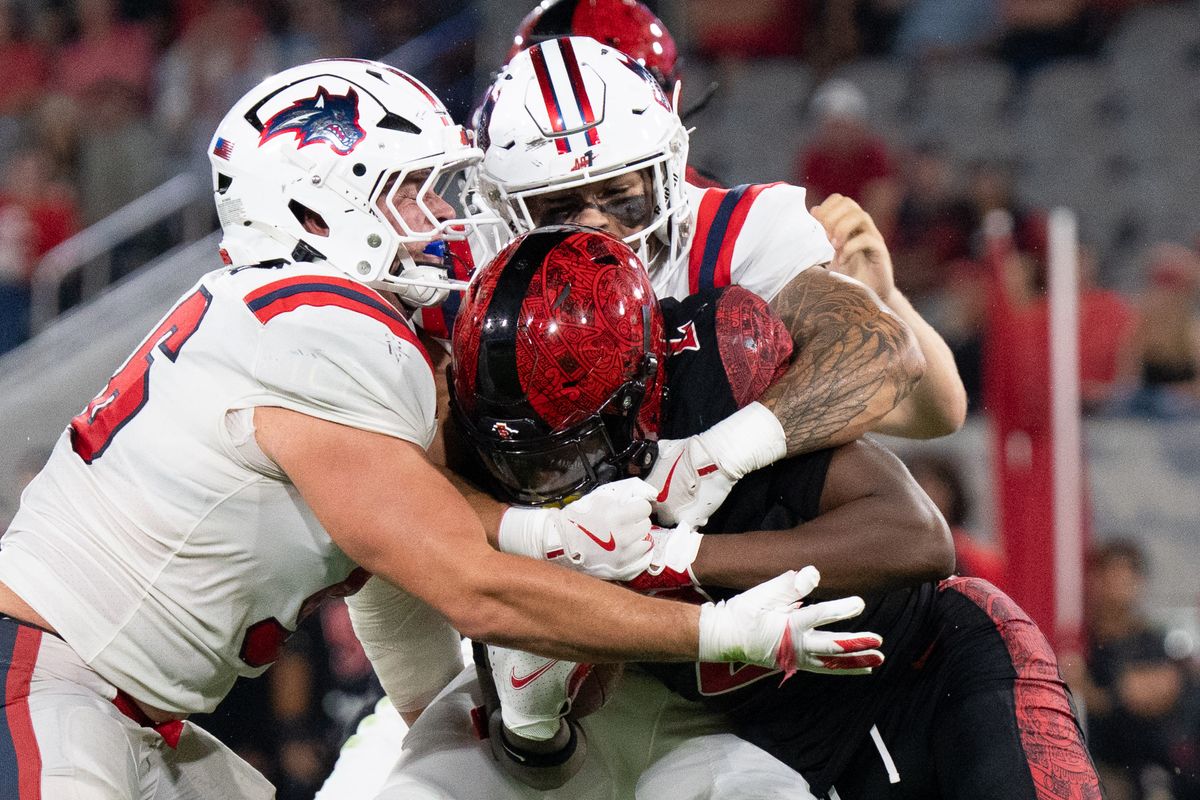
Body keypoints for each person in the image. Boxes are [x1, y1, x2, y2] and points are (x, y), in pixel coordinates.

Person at [0, 59, 885, 799]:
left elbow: (405, 547)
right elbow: (470, 588)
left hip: (117, 699)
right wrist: (714, 629)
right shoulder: (323, 326)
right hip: (52, 681)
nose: (443, 221)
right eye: (412, 196)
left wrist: (553, 538)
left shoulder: (290, 319)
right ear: (315, 211)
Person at [361, 223, 1099, 800]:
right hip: (776, 745)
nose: (541, 479)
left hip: (929, 670)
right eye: (517, 455)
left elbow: (916, 535)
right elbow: (535, 708)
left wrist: (680, 558)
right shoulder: (468, 445)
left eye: (567, 448)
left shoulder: (714, 375)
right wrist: (534, 709)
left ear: (645, 392)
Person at [470, 36, 966, 453]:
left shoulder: (737, 237)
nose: (595, 226)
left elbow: (930, 408)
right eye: (558, 208)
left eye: (619, 196)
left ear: (664, 171)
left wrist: (885, 298)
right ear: (504, 207)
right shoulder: (479, 269)